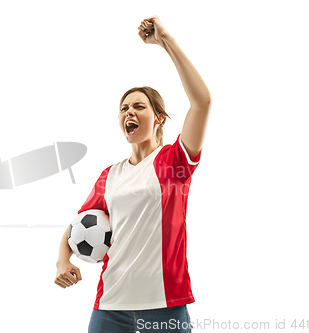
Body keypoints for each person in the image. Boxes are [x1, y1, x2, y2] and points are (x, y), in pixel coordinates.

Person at [54, 15, 211, 333]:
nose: (129, 112)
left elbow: (202, 102)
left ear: (159, 118)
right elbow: (78, 225)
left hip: (164, 306)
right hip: (110, 307)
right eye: (124, 108)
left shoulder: (173, 162)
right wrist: (62, 260)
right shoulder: (109, 175)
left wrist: (165, 41)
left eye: (139, 106)